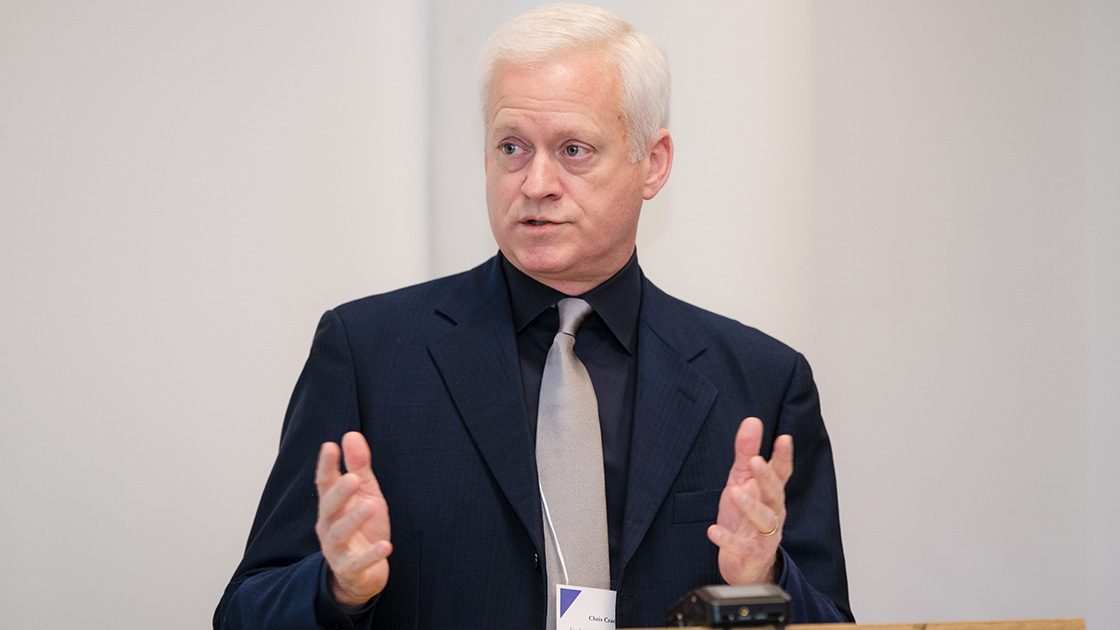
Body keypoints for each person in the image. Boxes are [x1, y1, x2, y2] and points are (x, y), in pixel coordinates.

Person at [215, 4, 852, 629]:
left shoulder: (762, 383)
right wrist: (339, 589)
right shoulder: (369, 355)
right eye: (512, 147)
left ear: (653, 163)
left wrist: (765, 576)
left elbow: (832, 619)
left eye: (574, 149)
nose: (536, 183)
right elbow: (245, 611)